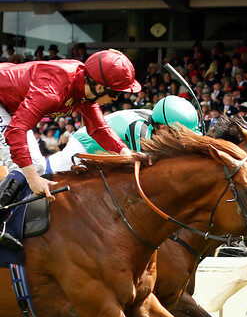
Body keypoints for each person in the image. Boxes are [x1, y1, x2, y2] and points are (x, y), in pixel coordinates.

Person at [0, 49, 140, 248]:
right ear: (100, 87)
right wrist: (32, 179)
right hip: (4, 104)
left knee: (37, 166)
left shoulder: (83, 88)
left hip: (8, 105)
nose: (116, 100)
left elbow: (99, 128)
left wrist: (129, 155)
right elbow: (15, 131)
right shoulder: (53, 89)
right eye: (116, 94)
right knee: (29, 168)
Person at [46, 95, 200, 173]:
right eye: (174, 133)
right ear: (161, 125)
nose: (177, 138)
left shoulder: (157, 120)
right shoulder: (140, 129)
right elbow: (147, 169)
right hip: (84, 148)